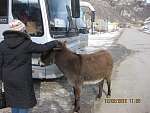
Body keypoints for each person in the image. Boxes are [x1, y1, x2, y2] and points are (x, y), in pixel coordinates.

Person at [0, 19, 59, 113]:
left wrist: (2, 78)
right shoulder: (26, 44)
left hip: (8, 78)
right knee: (23, 102)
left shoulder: (2, 44)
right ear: (22, 30)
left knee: (14, 101)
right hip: (22, 79)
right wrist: (55, 42)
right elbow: (42, 48)